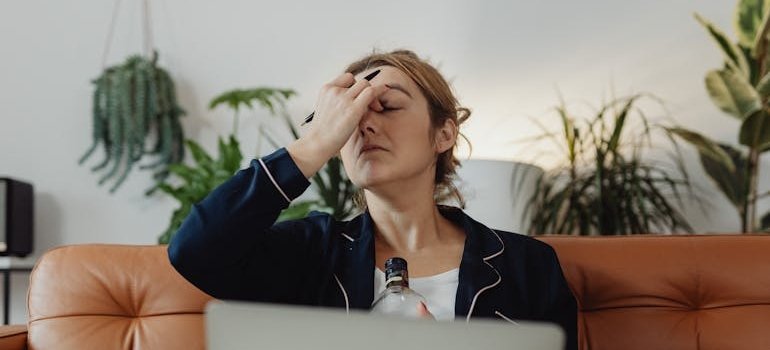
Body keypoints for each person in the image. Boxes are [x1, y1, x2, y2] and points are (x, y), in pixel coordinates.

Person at [168, 49, 577, 349]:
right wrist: (313, 144)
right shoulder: (311, 254)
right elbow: (196, 251)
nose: (365, 125)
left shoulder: (527, 266)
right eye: (350, 115)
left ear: (444, 134)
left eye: (386, 106)